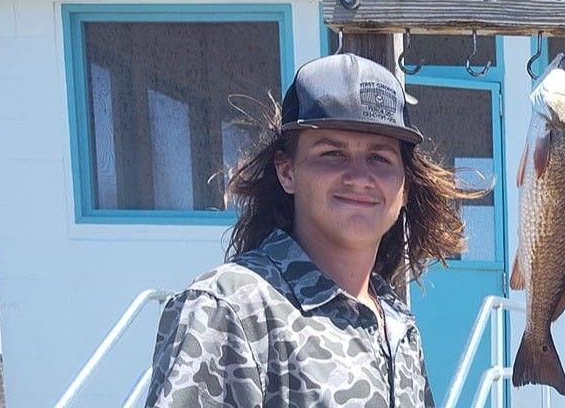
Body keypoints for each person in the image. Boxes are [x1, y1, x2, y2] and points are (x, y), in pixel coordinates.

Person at [146, 53, 472, 407]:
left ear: (405, 186)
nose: (360, 177)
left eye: (380, 158)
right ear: (287, 172)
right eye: (332, 153)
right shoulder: (230, 309)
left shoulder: (397, 324)